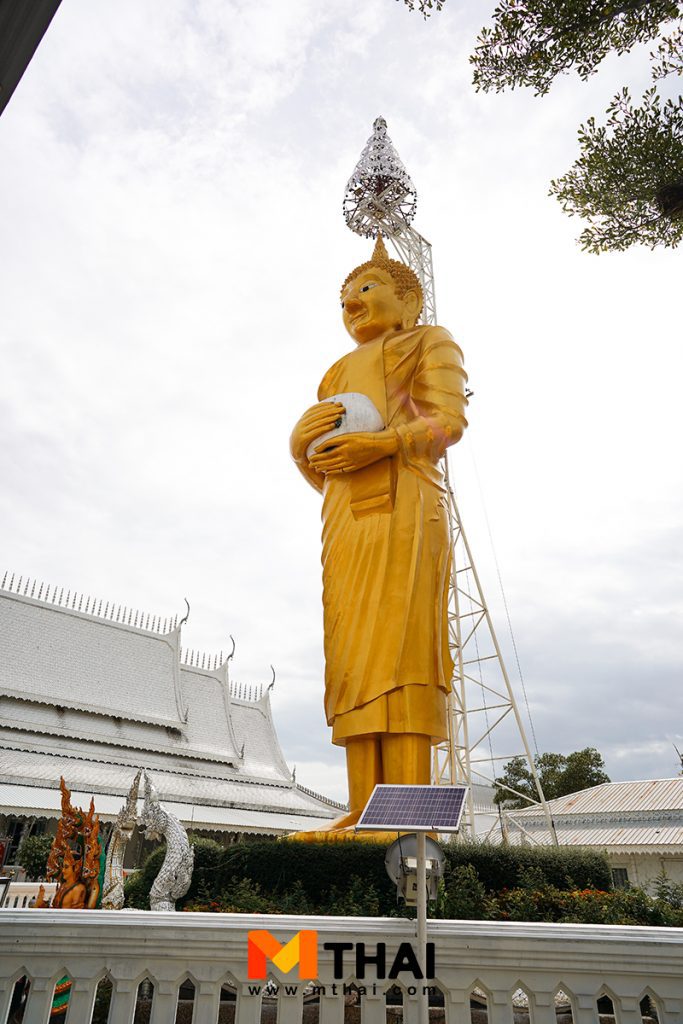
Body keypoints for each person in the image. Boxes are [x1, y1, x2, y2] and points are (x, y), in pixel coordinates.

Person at [290, 235, 468, 831]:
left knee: (404, 648)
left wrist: (386, 441)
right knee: (353, 659)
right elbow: (327, 464)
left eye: (365, 288)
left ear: (408, 299)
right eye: (344, 297)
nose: (352, 303)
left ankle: (406, 807)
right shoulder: (336, 372)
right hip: (345, 516)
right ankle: (365, 810)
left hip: (407, 502)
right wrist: (300, 448)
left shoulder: (430, 342)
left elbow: (447, 425)